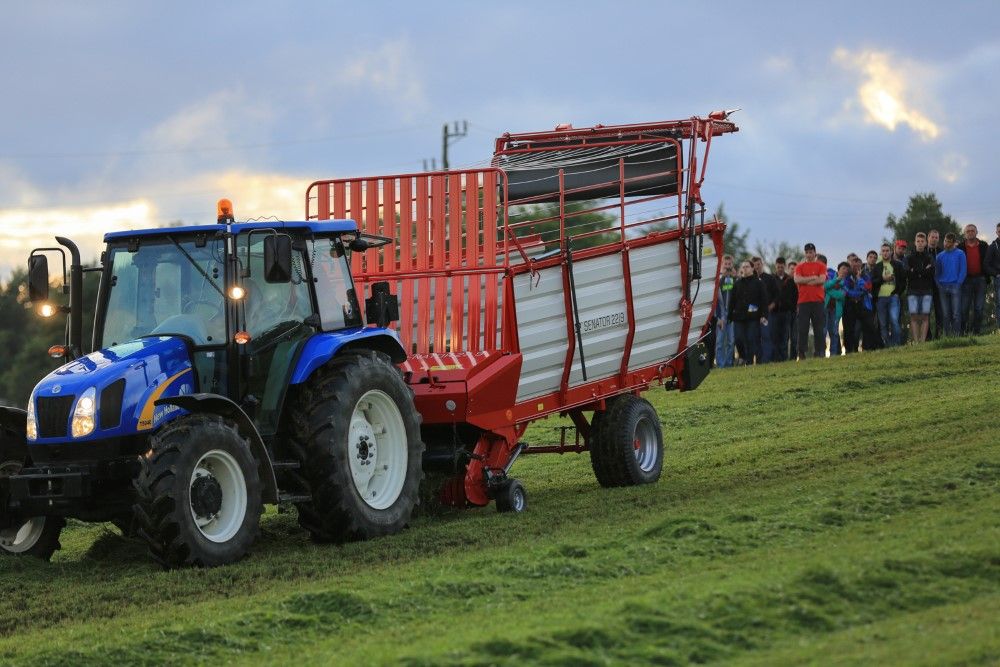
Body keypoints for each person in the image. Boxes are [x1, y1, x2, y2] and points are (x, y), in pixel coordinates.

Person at [728, 260, 767, 365]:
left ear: (752, 268)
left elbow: (764, 300)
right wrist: (729, 315)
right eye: (743, 266)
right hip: (739, 316)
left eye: (747, 266)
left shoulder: (759, 283)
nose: (745, 268)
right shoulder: (737, 284)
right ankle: (743, 357)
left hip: (753, 316)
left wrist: (764, 315)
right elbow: (732, 301)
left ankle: (749, 361)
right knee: (738, 338)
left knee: (751, 339)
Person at [794, 243, 827, 359]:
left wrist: (805, 281)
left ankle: (820, 351)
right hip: (803, 301)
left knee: (819, 327)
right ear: (805, 253)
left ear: (815, 253)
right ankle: (801, 352)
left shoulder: (821, 266)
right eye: (807, 252)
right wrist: (812, 278)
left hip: (817, 300)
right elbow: (797, 279)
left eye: (811, 252)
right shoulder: (799, 267)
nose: (809, 254)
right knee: (802, 328)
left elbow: (822, 280)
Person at [872, 243, 906, 347]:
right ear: (881, 253)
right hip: (880, 298)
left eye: (887, 250)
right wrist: (883, 279)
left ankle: (896, 345)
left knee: (894, 320)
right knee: (883, 324)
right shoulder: (877, 266)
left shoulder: (898, 265)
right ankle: (889, 346)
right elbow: (873, 282)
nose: (885, 253)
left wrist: (897, 293)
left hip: (893, 297)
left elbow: (903, 281)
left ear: (891, 252)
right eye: (883, 251)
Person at [957, 224, 989, 335]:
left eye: (972, 230)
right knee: (964, 308)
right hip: (966, 281)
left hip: (981, 279)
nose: (970, 232)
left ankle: (976, 332)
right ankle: (963, 332)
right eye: (968, 231)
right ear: (965, 233)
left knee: (979, 308)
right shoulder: (960, 247)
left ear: (976, 232)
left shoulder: (984, 245)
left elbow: (988, 261)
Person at [843, 256, 878, 351]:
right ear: (851, 266)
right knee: (852, 330)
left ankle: (869, 349)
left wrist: (859, 279)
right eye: (854, 266)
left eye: (858, 266)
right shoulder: (846, 277)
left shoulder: (866, 276)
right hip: (850, 306)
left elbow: (867, 288)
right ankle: (851, 350)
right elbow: (846, 291)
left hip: (864, 305)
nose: (857, 268)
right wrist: (859, 293)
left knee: (869, 327)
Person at [905, 232, 935, 343]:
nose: (920, 243)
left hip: (927, 290)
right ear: (915, 242)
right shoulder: (909, 257)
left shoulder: (929, 257)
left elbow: (931, 272)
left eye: (922, 241)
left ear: (926, 243)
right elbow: (907, 273)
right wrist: (923, 271)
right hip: (912, 290)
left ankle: (922, 342)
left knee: (925, 317)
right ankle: (917, 342)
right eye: (918, 241)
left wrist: (915, 271)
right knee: (914, 317)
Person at [935, 233, 966, 336]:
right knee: (945, 314)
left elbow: (963, 270)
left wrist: (958, 283)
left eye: (948, 242)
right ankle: (947, 337)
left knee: (956, 313)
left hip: (955, 286)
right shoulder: (939, 256)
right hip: (943, 287)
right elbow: (936, 273)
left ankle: (956, 336)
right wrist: (939, 285)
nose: (946, 243)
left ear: (953, 243)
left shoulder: (960, 253)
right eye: (945, 241)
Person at [752, 256, 778, 363]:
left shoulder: (769, 278)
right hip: (754, 313)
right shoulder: (751, 279)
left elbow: (777, 294)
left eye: (758, 264)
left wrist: (772, 305)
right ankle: (758, 360)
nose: (757, 267)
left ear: (762, 264)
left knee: (766, 336)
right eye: (754, 265)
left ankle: (766, 359)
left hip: (766, 313)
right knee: (755, 337)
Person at [771, 257, 797, 362]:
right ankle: (775, 358)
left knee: (785, 336)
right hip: (774, 312)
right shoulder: (771, 279)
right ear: (775, 266)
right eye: (778, 267)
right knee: (774, 336)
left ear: (784, 267)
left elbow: (794, 296)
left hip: (786, 312)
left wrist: (792, 307)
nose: (780, 269)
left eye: (782, 267)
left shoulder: (790, 280)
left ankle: (784, 358)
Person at [714, 255, 736, 368]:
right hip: (721, 314)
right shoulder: (718, 279)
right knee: (720, 341)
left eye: (729, 264)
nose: (727, 267)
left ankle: (729, 363)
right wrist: (723, 276)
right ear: (722, 265)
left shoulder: (734, 279)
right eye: (725, 264)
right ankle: (721, 364)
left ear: (732, 265)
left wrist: (733, 277)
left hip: (731, 313)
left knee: (731, 341)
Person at [824, 262, 848, 356]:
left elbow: (841, 296)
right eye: (843, 268)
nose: (845, 271)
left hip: (836, 310)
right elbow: (825, 286)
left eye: (846, 269)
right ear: (838, 270)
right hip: (825, 308)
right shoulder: (830, 277)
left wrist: (829, 290)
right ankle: (821, 353)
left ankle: (833, 354)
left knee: (834, 332)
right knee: (823, 332)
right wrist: (836, 281)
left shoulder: (846, 282)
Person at [926, 229, 943, 339]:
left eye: (936, 237)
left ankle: (939, 335)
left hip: (939, 286)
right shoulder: (922, 252)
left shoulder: (942, 252)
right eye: (932, 237)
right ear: (928, 238)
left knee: (939, 311)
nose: (934, 239)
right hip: (926, 286)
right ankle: (927, 336)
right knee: (926, 312)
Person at [986, 222, 1000, 331]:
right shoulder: (992, 247)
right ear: (996, 232)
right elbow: (986, 264)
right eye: (999, 231)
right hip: (999, 280)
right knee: (999, 303)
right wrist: (996, 274)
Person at [786, 260, 799, 359]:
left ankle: (793, 357)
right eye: (791, 269)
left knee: (795, 337)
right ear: (788, 269)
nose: (793, 271)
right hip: (786, 312)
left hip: (797, 312)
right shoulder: (785, 281)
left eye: (795, 269)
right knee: (785, 337)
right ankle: (784, 357)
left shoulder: (799, 282)